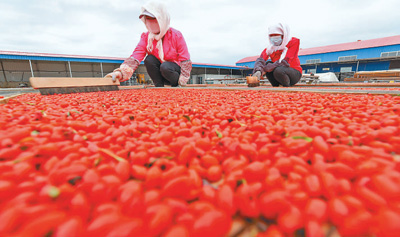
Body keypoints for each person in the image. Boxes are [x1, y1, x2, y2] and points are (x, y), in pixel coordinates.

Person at [106, 2, 192, 87]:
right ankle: (159, 86)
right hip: (161, 74)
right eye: (147, 19)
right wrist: (120, 72)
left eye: (153, 19)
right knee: (149, 59)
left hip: (174, 74)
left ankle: (175, 85)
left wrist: (183, 80)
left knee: (165, 66)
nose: (151, 23)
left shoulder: (176, 35)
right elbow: (136, 56)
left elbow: (185, 59)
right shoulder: (146, 37)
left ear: (162, 19)